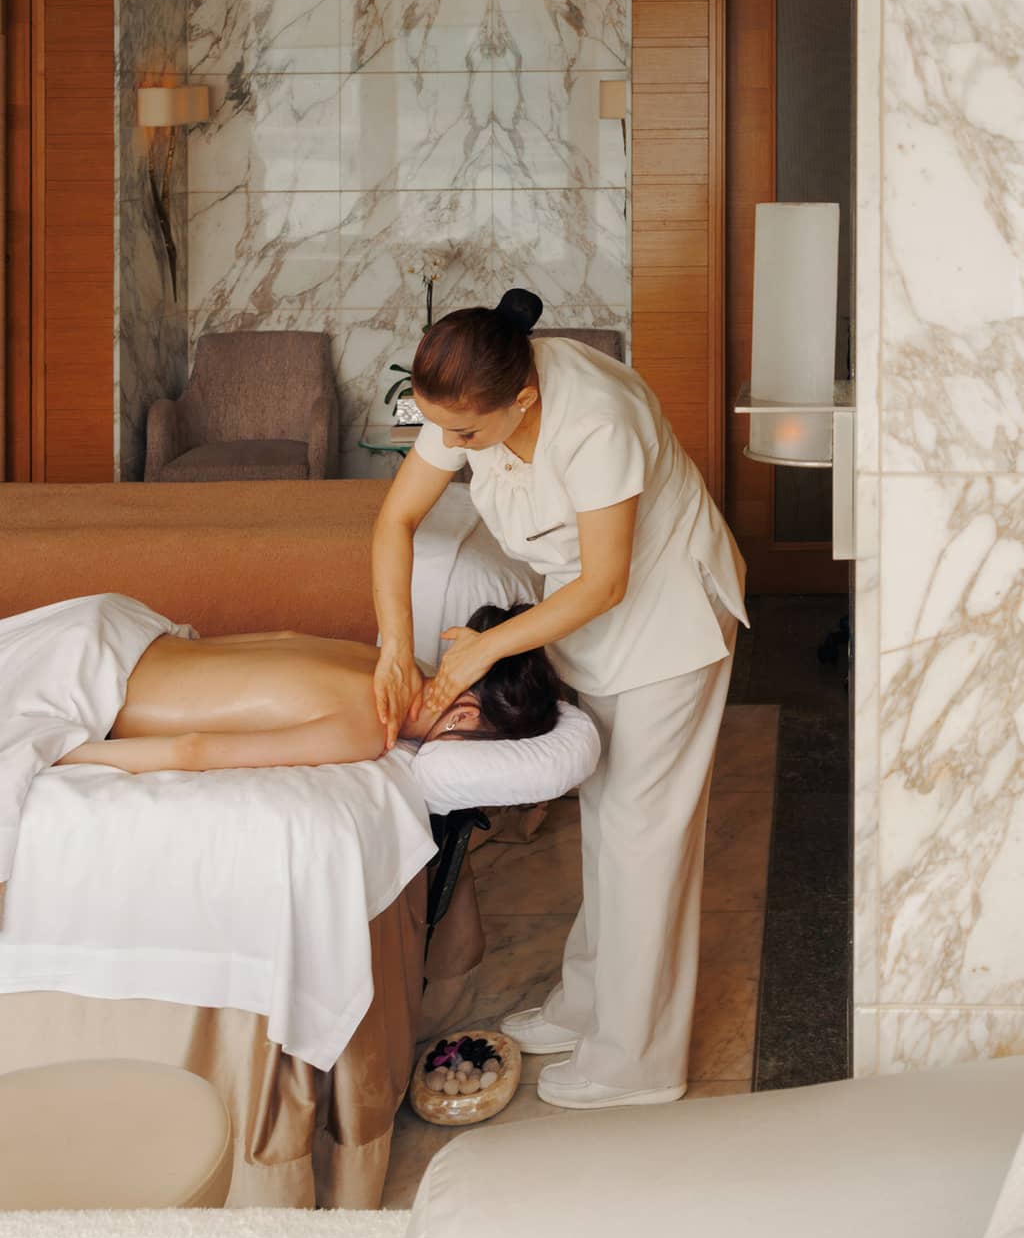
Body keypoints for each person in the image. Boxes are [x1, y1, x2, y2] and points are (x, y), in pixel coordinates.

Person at [371, 287, 748, 1111]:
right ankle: (588, 1006)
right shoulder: (468, 399)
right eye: (441, 427)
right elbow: (396, 519)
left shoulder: (595, 421)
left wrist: (485, 650)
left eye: (464, 434)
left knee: (645, 837)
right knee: (607, 819)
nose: (450, 444)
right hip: (591, 620)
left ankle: (636, 1063)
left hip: (667, 619)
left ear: (523, 401)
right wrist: (398, 644)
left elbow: (608, 580)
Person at [57, 604, 559, 776]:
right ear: (466, 717)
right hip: (88, 684)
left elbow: (283, 638)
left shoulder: (385, 659)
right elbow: (195, 749)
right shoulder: (370, 727)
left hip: (116, 628)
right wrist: (63, 756)